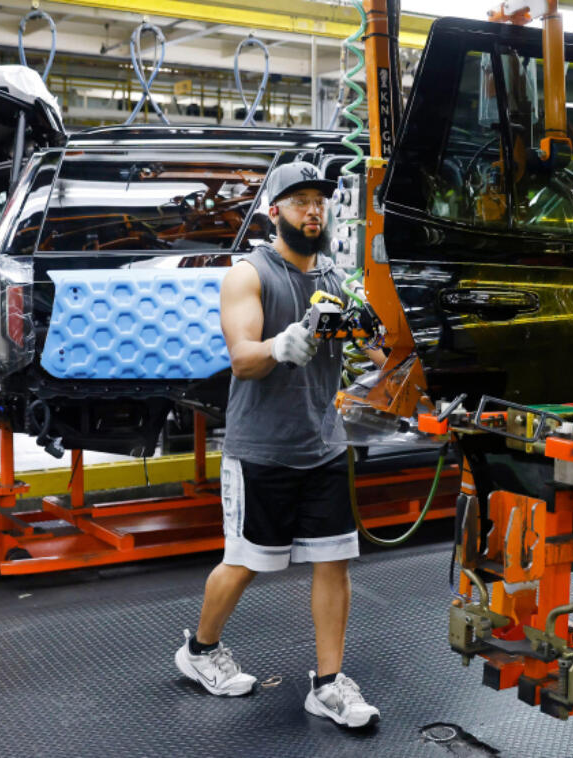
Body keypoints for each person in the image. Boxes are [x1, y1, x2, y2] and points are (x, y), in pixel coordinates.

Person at [174, 161, 385, 729]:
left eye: (319, 200)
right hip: (261, 450)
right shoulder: (250, 275)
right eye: (299, 201)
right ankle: (199, 652)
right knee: (245, 563)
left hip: (322, 446)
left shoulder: (336, 286)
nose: (313, 210)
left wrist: (393, 353)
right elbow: (242, 359)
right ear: (275, 214)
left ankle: (328, 684)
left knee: (333, 561)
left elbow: (376, 353)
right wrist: (277, 346)